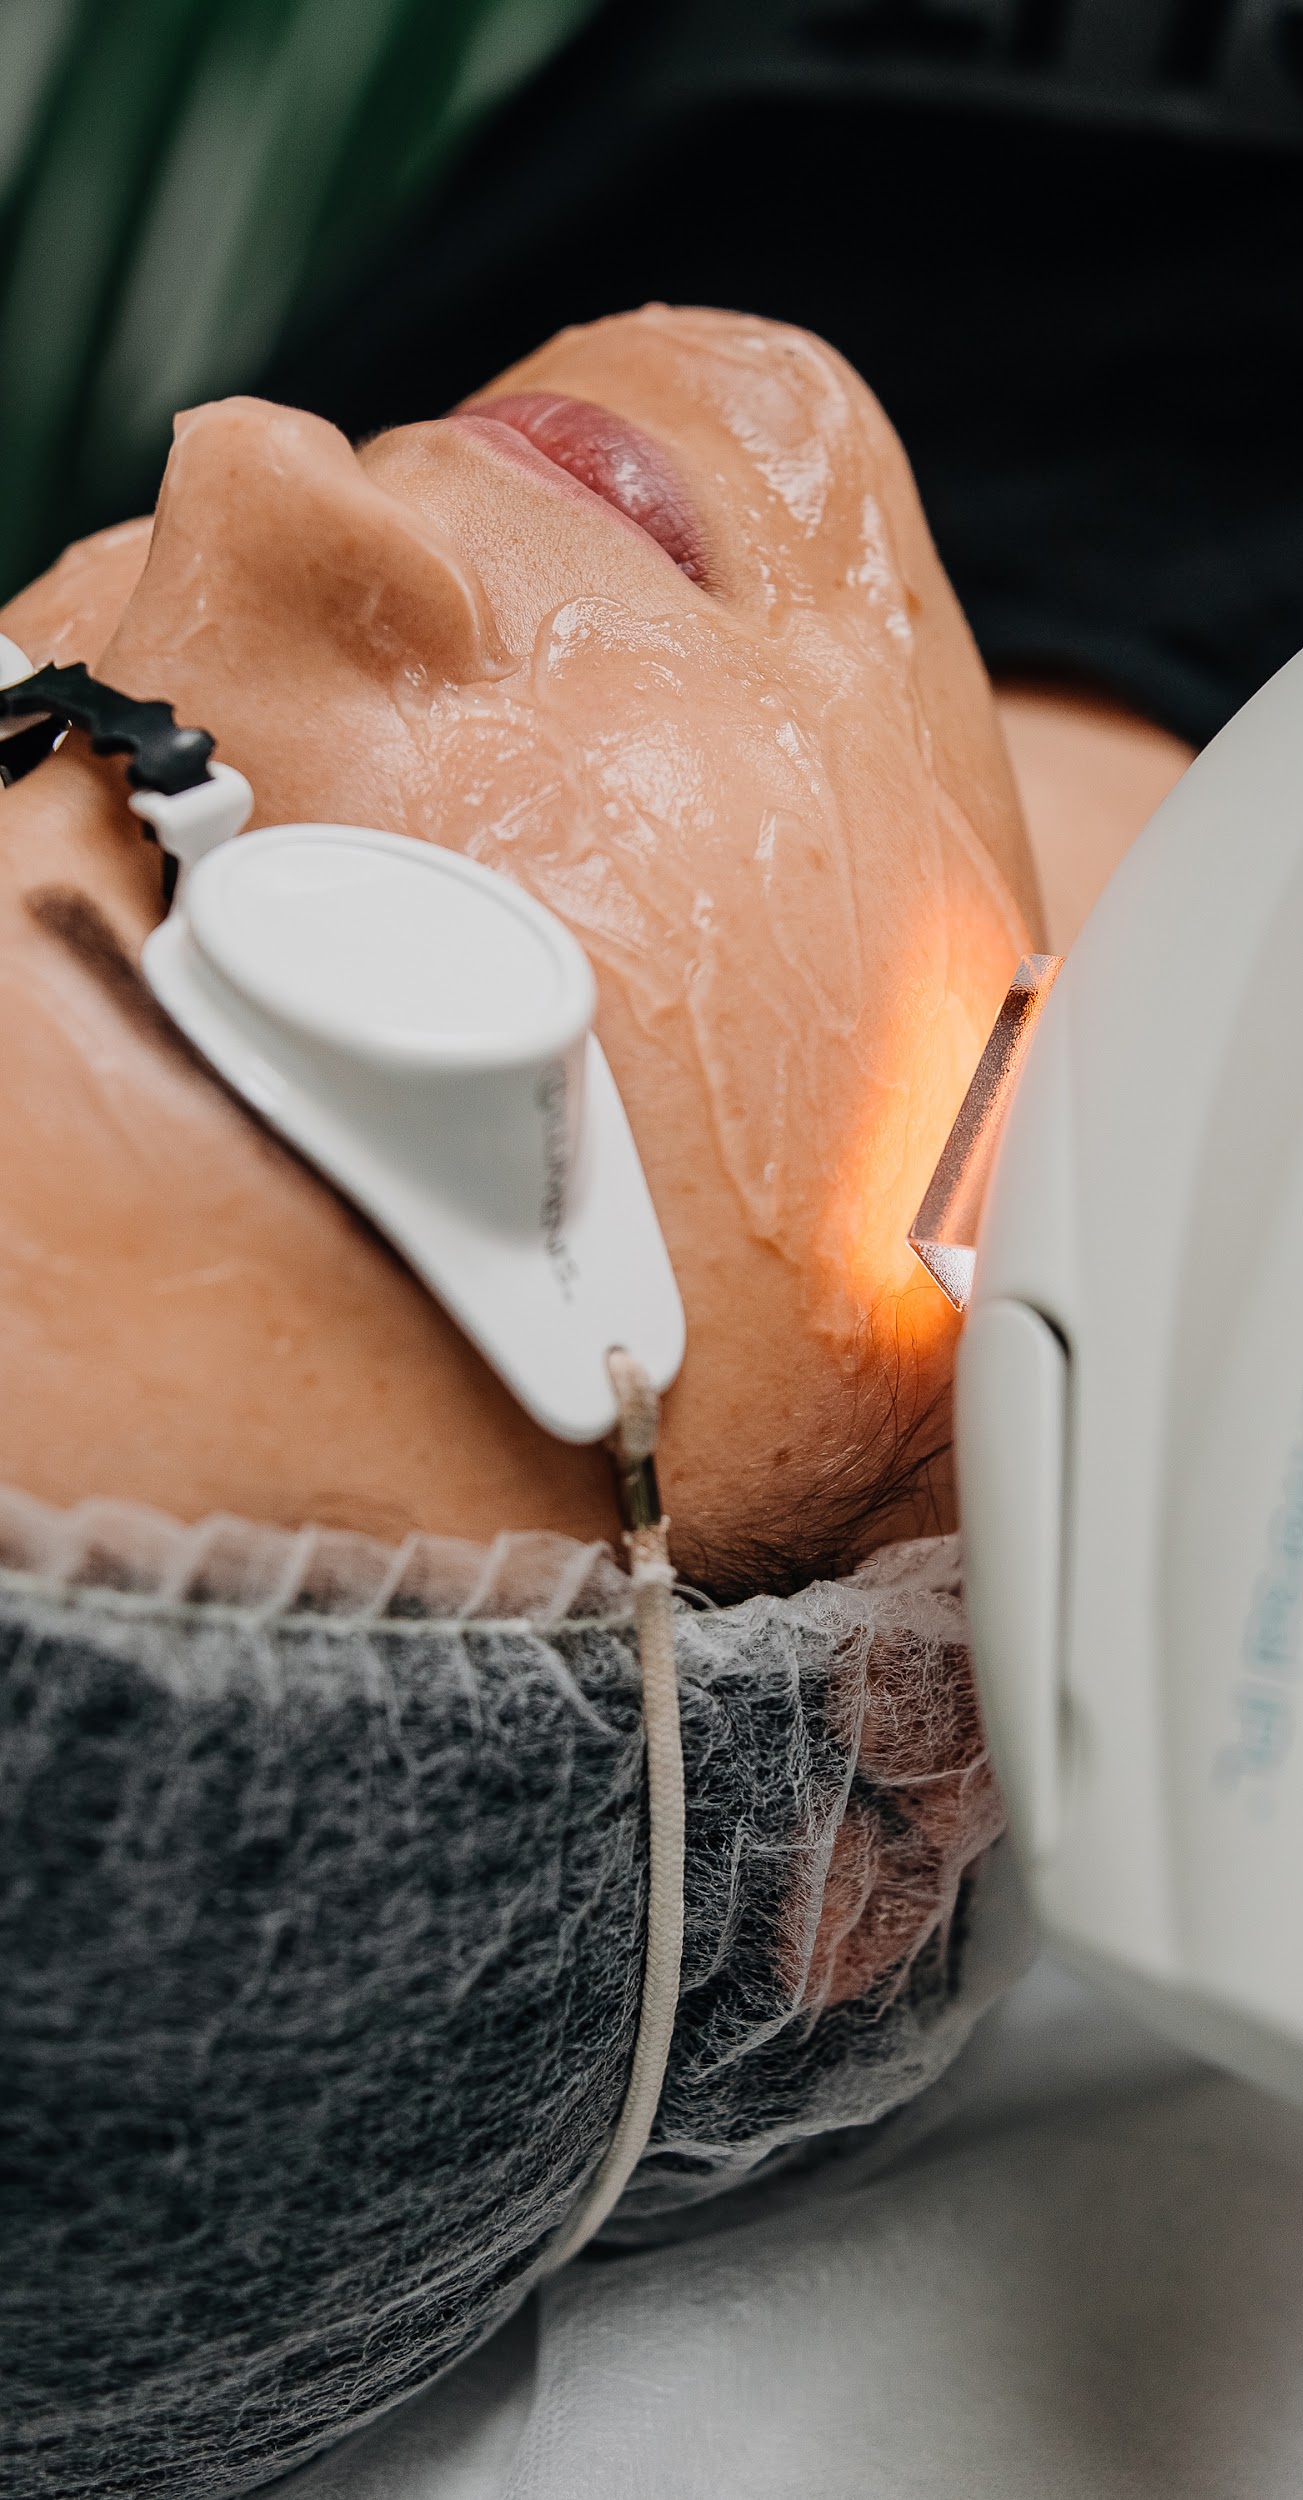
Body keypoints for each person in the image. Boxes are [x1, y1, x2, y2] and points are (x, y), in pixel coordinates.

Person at [0, 304, 1054, 2500]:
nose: (245, 475)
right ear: (887, 1783)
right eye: (307, 946)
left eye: (24, 705)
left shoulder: (496, 391)